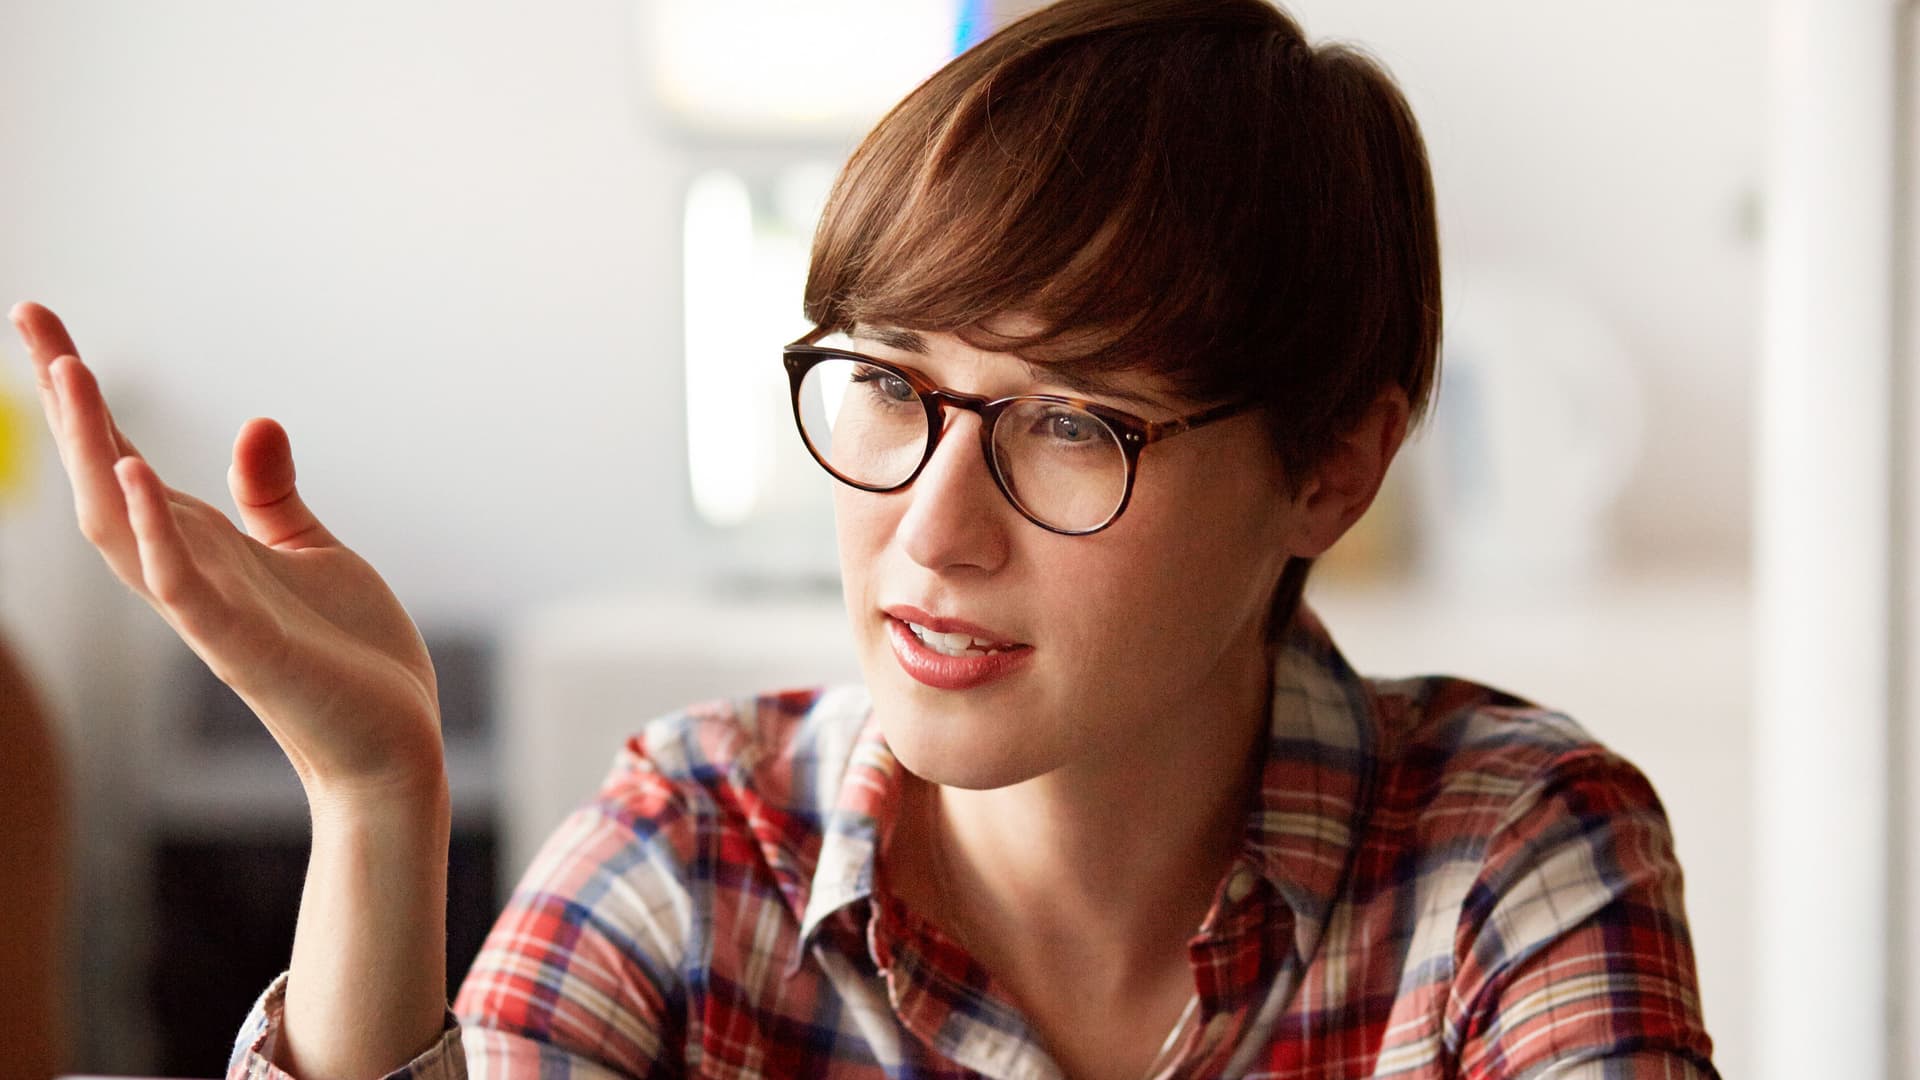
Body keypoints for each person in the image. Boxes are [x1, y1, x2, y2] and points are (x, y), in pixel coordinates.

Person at [11, 0, 1718, 1076]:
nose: (933, 528)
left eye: (1070, 424)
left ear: (1331, 471)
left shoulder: (1508, 861)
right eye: (888, 388)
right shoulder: (697, 848)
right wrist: (377, 801)